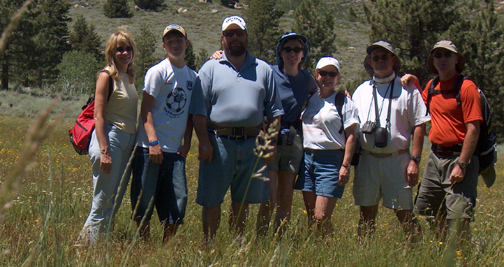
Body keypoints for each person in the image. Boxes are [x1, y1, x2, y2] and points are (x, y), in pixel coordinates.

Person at [209, 33, 317, 236]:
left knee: (285, 198)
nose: (292, 53)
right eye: (287, 49)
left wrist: (342, 94)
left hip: (293, 141)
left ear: (303, 54)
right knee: (269, 197)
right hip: (268, 138)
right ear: (280, 52)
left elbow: (323, 94)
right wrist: (219, 56)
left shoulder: (308, 79)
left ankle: (277, 240)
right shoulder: (269, 72)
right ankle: (259, 238)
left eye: (297, 49)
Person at [189, 15, 284, 241]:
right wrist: (203, 141)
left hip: (252, 144)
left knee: (242, 201)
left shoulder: (263, 69)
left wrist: (270, 144)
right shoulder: (210, 68)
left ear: (246, 37)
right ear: (222, 39)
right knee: (212, 199)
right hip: (218, 143)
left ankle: (236, 244)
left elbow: (275, 112)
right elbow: (199, 111)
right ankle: (209, 243)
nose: (234, 37)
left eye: (238, 33)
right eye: (229, 34)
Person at [351, 41, 429, 238]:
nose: (380, 61)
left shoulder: (407, 89)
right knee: (366, 212)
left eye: (385, 57)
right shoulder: (361, 91)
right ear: (370, 61)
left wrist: (415, 161)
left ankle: (416, 250)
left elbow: (420, 125)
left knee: (404, 212)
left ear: (393, 59)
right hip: (367, 160)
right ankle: (364, 252)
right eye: (376, 57)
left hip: (398, 160)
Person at [411, 40, 482, 243]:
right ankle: (444, 251)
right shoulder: (432, 86)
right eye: (438, 55)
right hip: (435, 157)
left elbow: (473, 130)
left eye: (447, 55)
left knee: (458, 217)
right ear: (433, 60)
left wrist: (462, 164)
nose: (442, 59)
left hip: (458, 158)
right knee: (428, 210)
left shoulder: (466, 88)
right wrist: (413, 82)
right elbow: (417, 108)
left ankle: (464, 254)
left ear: (456, 59)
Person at [131, 24, 196, 242]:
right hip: (149, 148)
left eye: (179, 40)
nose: (175, 45)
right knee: (144, 197)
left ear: (186, 43)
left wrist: (187, 144)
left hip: (175, 150)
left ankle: (167, 246)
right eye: (170, 41)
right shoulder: (157, 72)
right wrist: (153, 142)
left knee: (179, 198)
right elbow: (145, 109)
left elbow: (190, 115)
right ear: (164, 45)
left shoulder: (192, 77)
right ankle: (144, 243)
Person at [79, 29, 138, 244]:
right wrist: (104, 152)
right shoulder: (106, 76)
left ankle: (100, 242)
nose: (124, 52)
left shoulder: (129, 76)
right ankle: (85, 247)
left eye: (128, 48)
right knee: (102, 201)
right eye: (119, 49)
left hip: (127, 141)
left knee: (113, 199)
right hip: (111, 140)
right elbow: (99, 116)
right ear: (111, 52)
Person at [300, 57, 358, 234]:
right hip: (308, 159)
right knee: (312, 217)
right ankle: (317, 249)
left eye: (332, 74)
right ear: (316, 75)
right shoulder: (309, 98)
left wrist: (345, 166)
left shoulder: (344, 102)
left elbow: (352, 137)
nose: (327, 77)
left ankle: (327, 247)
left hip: (331, 162)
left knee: (321, 216)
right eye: (323, 73)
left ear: (338, 77)